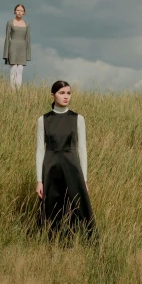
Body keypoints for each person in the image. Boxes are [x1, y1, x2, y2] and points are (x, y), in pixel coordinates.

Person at [36, 80, 96, 238]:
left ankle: (79, 240)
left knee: (76, 205)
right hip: (51, 167)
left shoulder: (78, 118)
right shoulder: (43, 120)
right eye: (61, 93)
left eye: (68, 93)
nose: (66, 96)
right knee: (51, 206)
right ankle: (50, 241)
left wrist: (84, 178)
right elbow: (40, 150)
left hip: (72, 166)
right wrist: (39, 180)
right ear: (52, 95)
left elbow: (82, 149)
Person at [3, 4, 31, 89]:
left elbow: (28, 39)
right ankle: (12, 89)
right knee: (13, 68)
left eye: (21, 11)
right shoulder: (10, 23)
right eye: (18, 10)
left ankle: (18, 89)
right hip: (13, 47)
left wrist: (28, 54)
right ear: (15, 11)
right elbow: (7, 38)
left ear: (24, 12)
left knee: (20, 70)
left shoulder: (27, 24)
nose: (19, 12)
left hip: (22, 48)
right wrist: (6, 54)